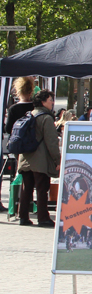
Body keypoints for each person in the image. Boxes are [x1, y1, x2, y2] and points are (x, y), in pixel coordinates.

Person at [16, 90, 60, 227]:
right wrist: (57, 160)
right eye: (50, 100)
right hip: (39, 160)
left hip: (25, 158)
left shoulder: (29, 115)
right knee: (42, 189)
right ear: (43, 102)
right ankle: (43, 218)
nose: (52, 102)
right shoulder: (46, 118)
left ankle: (23, 216)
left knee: (27, 189)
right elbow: (52, 142)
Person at [2, 77, 37, 213]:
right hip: (33, 145)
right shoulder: (34, 107)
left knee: (20, 173)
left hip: (19, 146)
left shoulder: (13, 109)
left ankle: (18, 202)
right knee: (33, 176)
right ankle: (29, 202)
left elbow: (8, 128)